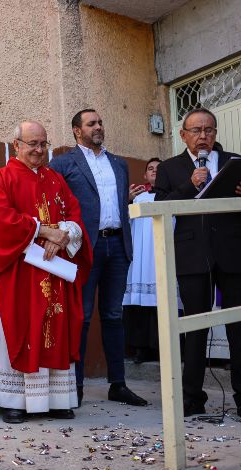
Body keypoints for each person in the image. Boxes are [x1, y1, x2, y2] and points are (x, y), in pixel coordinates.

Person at [0, 120, 92, 423]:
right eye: (32, 144)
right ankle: (14, 401)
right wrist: (44, 231)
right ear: (17, 145)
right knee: (19, 329)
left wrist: (62, 234)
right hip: (18, 273)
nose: (39, 150)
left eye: (43, 144)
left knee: (56, 329)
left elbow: (74, 213)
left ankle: (58, 400)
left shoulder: (56, 179)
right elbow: (1, 221)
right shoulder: (2, 178)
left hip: (54, 271)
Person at [154, 107, 241, 423]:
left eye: (209, 130)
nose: (203, 136)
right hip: (192, 255)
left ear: (216, 132)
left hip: (234, 252)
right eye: (196, 130)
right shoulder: (170, 168)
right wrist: (189, 185)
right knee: (194, 328)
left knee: (239, 326)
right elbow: (160, 207)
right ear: (183, 135)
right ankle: (192, 398)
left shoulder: (235, 162)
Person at [50, 109, 148, 407]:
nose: (98, 127)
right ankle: (76, 386)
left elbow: (116, 204)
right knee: (81, 316)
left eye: (100, 122)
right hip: (84, 248)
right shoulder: (63, 163)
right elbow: (54, 204)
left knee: (114, 315)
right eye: (91, 123)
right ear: (77, 130)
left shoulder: (118, 163)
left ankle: (118, 385)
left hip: (117, 245)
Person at [123, 158, 161, 363]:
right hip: (140, 256)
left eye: (159, 169)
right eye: (150, 169)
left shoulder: (171, 196)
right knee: (140, 301)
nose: (154, 171)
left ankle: (164, 348)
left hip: (162, 255)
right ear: (145, 175)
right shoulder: (137, 198)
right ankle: (141, 348)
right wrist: (127, 200)